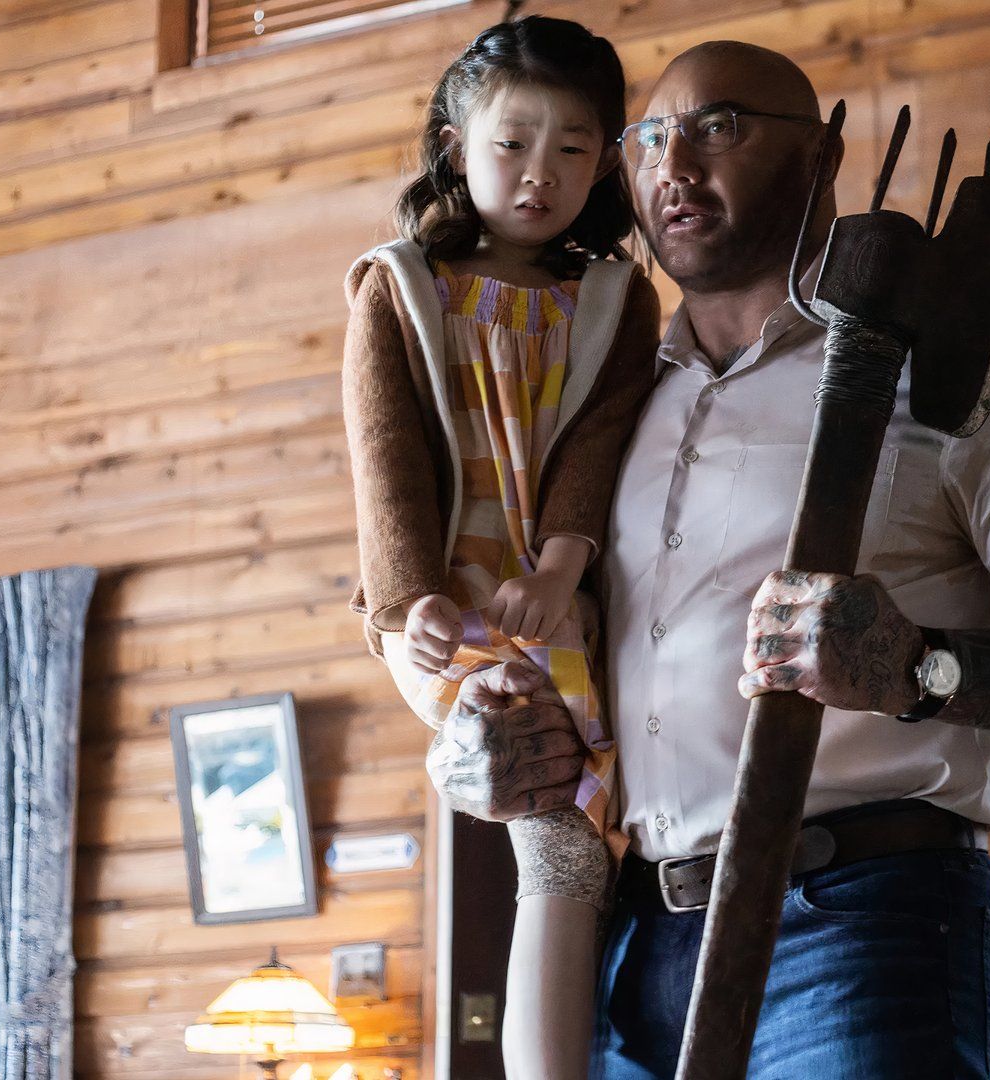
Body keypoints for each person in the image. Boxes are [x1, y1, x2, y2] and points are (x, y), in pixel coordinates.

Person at [423, 38, 990, 1079]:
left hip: (856, 922)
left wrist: (921, 667)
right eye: (651, 137)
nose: (675, 163)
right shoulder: (597, 406)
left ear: (825, 157)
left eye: (723, 127)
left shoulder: (959, 366)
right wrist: (473, 739)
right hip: (635, 943)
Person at [338, 17, 657, 1080]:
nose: (540, 175)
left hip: (554, 592)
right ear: (452, 142)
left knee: (577, 842)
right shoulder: (401, 286)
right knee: (555, 834)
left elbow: (604, 435)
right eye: (513, 142)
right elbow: (384, 451)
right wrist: (406, 597)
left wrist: (564, 561)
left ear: (606, 160)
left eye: (575, 149)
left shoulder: (613, 297)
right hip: (446, 600)